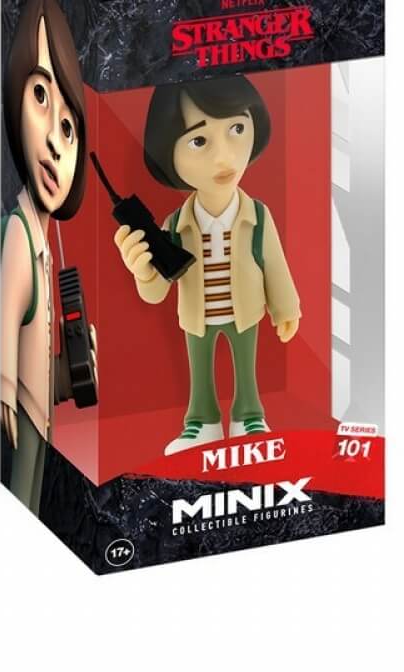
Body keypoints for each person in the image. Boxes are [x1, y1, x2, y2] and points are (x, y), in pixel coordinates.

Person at [114, 76, 300, 456]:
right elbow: (156, 292)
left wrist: (286, 309)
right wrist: (144, 272)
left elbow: (274, 264)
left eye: (236, 129)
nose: (224, 158)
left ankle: (249, 416)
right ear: (168, 153)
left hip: (245, 310)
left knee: (246, 368)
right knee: (200, 372)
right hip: (197, 314)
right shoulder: (174, 226)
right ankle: (201, 422)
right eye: (199, 141)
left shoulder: (257, 216)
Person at [0, 0, 93, 513]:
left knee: (32, 499)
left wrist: (68, 373)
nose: (56, 144)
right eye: (40, 94)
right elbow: (5, 316)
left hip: (39, 415)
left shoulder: (45, 244)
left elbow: (36, 351)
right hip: (15, 414)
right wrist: (1, 384)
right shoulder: (18, 233)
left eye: (69, 128)